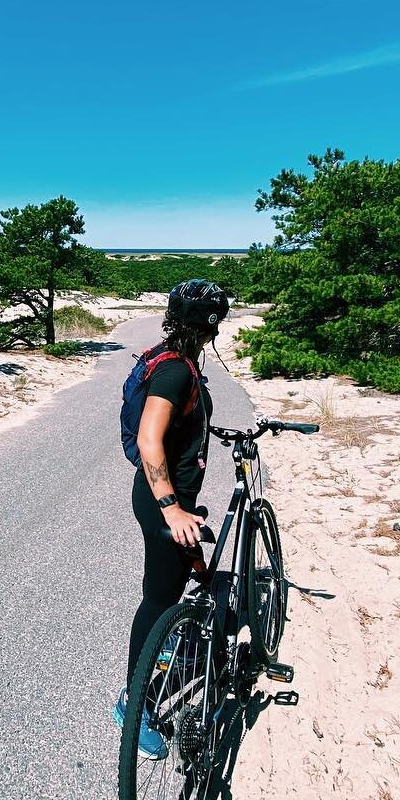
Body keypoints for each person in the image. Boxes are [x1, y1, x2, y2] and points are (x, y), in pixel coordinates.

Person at [114, 278, 229, 758]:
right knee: (159, 599)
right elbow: (149, 439)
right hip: (163, 501)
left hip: (167, 497)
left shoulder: (170, 357)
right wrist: (171, 508)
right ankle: (133, 704)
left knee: (177, 581)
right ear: (210, 325)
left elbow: (178, 427)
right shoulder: (175, 373)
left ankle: (165, 652)